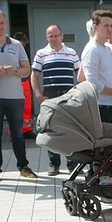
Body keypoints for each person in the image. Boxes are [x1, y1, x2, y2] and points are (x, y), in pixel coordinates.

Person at [0, 9, 37, 181]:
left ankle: (23, 166)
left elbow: (27, 69)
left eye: (2, 23)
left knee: (18, 134)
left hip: (15, 97)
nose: (0, 26)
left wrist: (15, 71)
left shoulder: (17, 45)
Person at [31, 24, 80, 175]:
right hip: (50, 95)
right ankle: (54, 164)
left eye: (56, 35)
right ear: (47, 37)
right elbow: (34, 75)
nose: (54, 38)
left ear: (62, 35)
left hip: (68, 95)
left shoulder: (71, 53)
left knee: (70, 129)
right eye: (50, 36)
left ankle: (72, 164)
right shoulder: (41, 53)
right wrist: (38, 95)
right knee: (51, 130)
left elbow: (79, 75)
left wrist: (79, 93)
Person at [81, 10, 112, 124]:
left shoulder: (106, 48)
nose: (110, 29)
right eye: (106, 25)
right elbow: (93, 84)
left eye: (111, 25)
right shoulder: (92, 49)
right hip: (101, 106)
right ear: (95, 27)